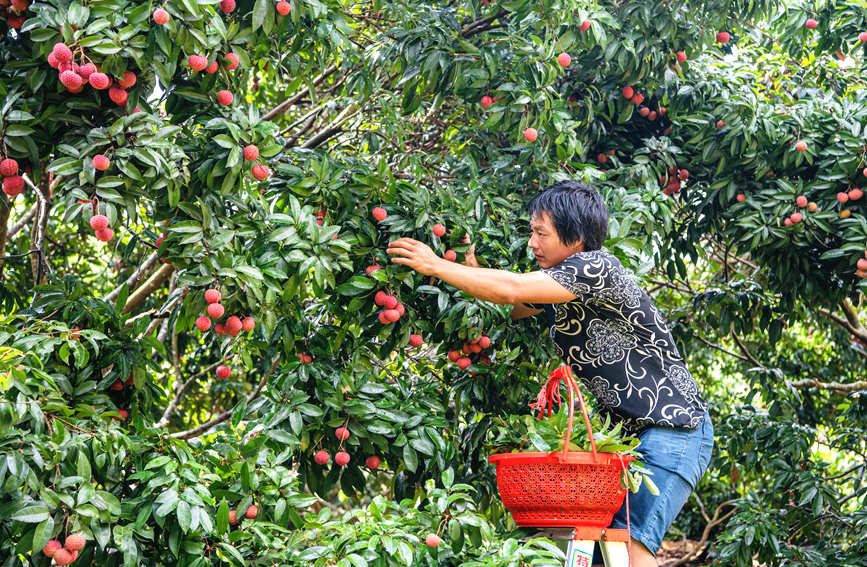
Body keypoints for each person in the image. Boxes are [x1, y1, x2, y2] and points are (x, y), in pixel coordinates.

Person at [386, 180, 714, 567]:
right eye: (531, 232)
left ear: (576, 236)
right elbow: (512, 304)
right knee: (599, 552)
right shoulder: (561, 284)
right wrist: (466, 269)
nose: (532, 243)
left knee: (630, 548)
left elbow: (511, 289)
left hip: (672, 429)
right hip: (629, 440)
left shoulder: (597, 267)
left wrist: (435, 265)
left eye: (541, 232)